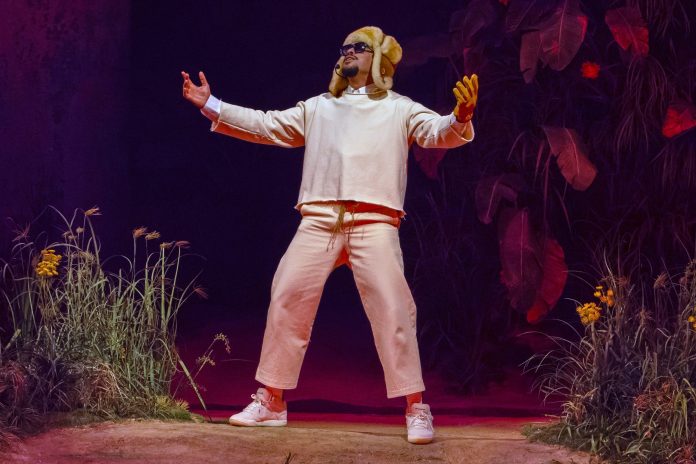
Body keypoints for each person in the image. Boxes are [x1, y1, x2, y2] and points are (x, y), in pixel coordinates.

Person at [181, 25, 478, 445]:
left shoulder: (400, 108)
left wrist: (460, 117)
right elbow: (266, 125)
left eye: (359, 47)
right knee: (287, 294)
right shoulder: (319, 107)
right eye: (345, 47)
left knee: (394, 308)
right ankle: (272, 401)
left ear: (379, 58)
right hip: (319, 220)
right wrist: (210, 104)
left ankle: (416, 407)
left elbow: (437, 132)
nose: (349, 52)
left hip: (374, 221)